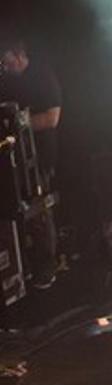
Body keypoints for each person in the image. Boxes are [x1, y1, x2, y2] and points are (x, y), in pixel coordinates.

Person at [0, 35, 62, 288]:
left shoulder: (43, 76)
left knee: (39, 210)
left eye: (5, 59)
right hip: (12, 159)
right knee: (17, 210)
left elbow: (51, 118)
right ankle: (22, 267)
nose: (3, 65)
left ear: (17, 54)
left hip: (39, 156)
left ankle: (47, 267)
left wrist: (15, 127)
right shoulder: (7, 81)